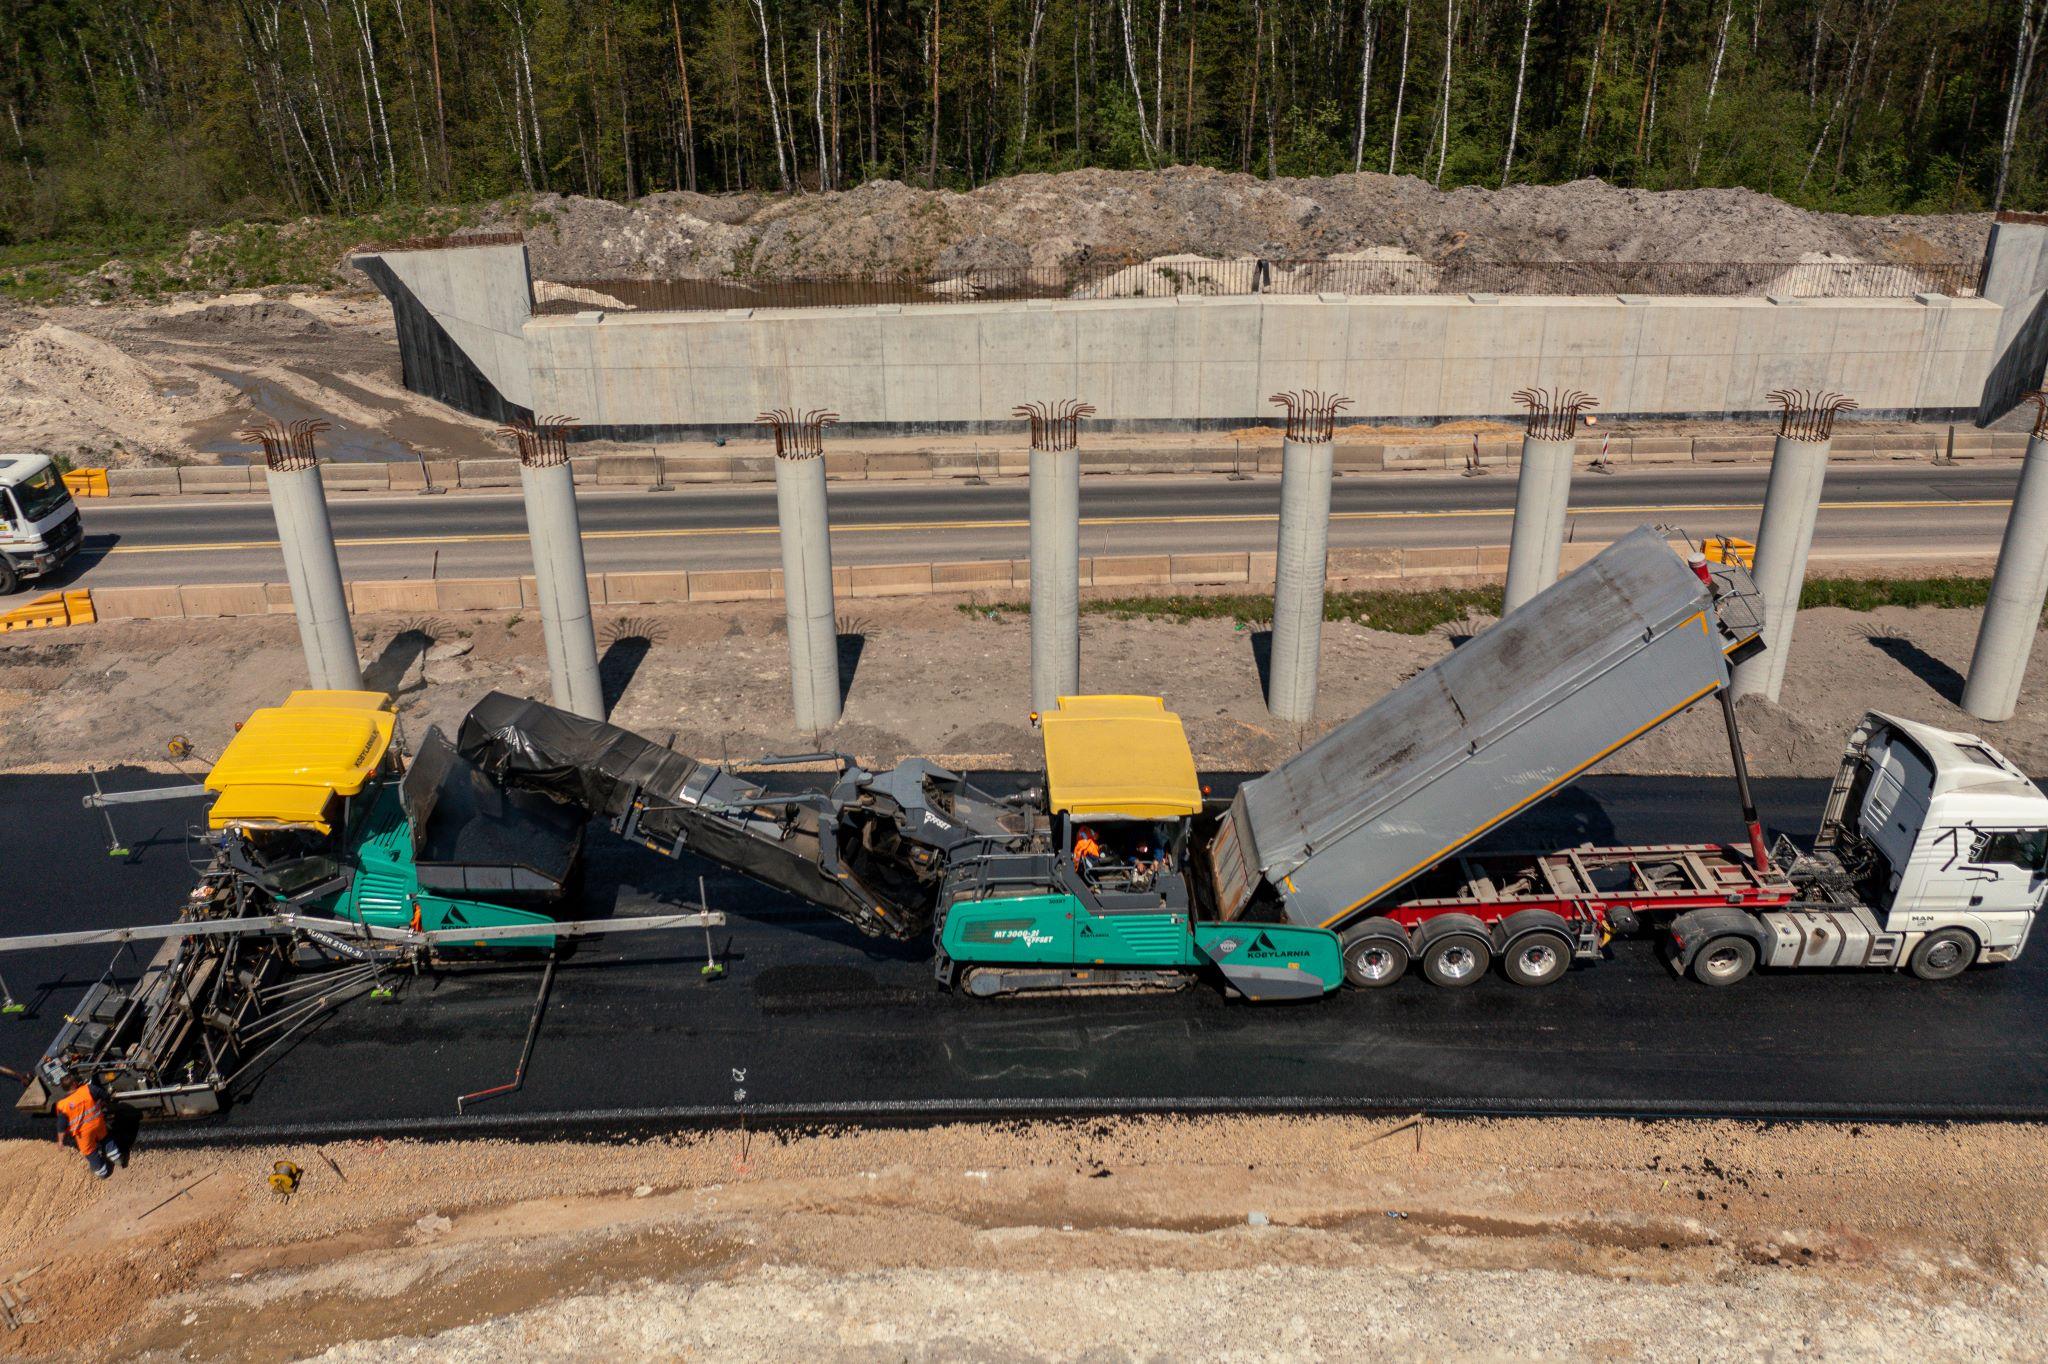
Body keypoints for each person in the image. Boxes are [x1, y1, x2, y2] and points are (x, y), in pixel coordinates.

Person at [55, 1079, 123, 1179]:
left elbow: (61, 1125)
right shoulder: (87, 1089)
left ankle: (102, 1172)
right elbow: (104, 1095)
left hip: (83, 1133)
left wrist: (60, 1141)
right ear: (74, 1083)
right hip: (98, 1123)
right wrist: (102, 1102)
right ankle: (117, 1158)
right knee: (105, 1138)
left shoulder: (62, 1105)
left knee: (90, 1152)